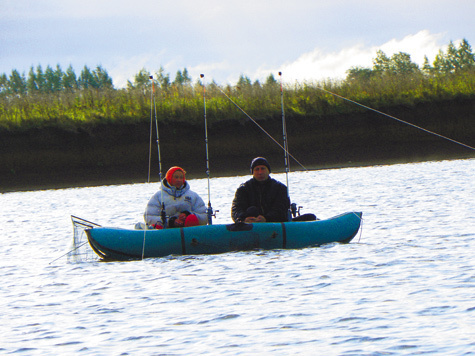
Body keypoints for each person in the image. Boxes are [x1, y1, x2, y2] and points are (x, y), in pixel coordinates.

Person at [231, 157, 290, 223]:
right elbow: (236, 209)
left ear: (268, 171)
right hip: (249, 226)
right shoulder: (243, 189)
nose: (260, 172)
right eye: (257, 169)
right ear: (253, 172)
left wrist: (266, 218)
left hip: (274, 225)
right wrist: (244, 219)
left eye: (263, 169)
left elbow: (281, 208)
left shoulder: (280, 188)